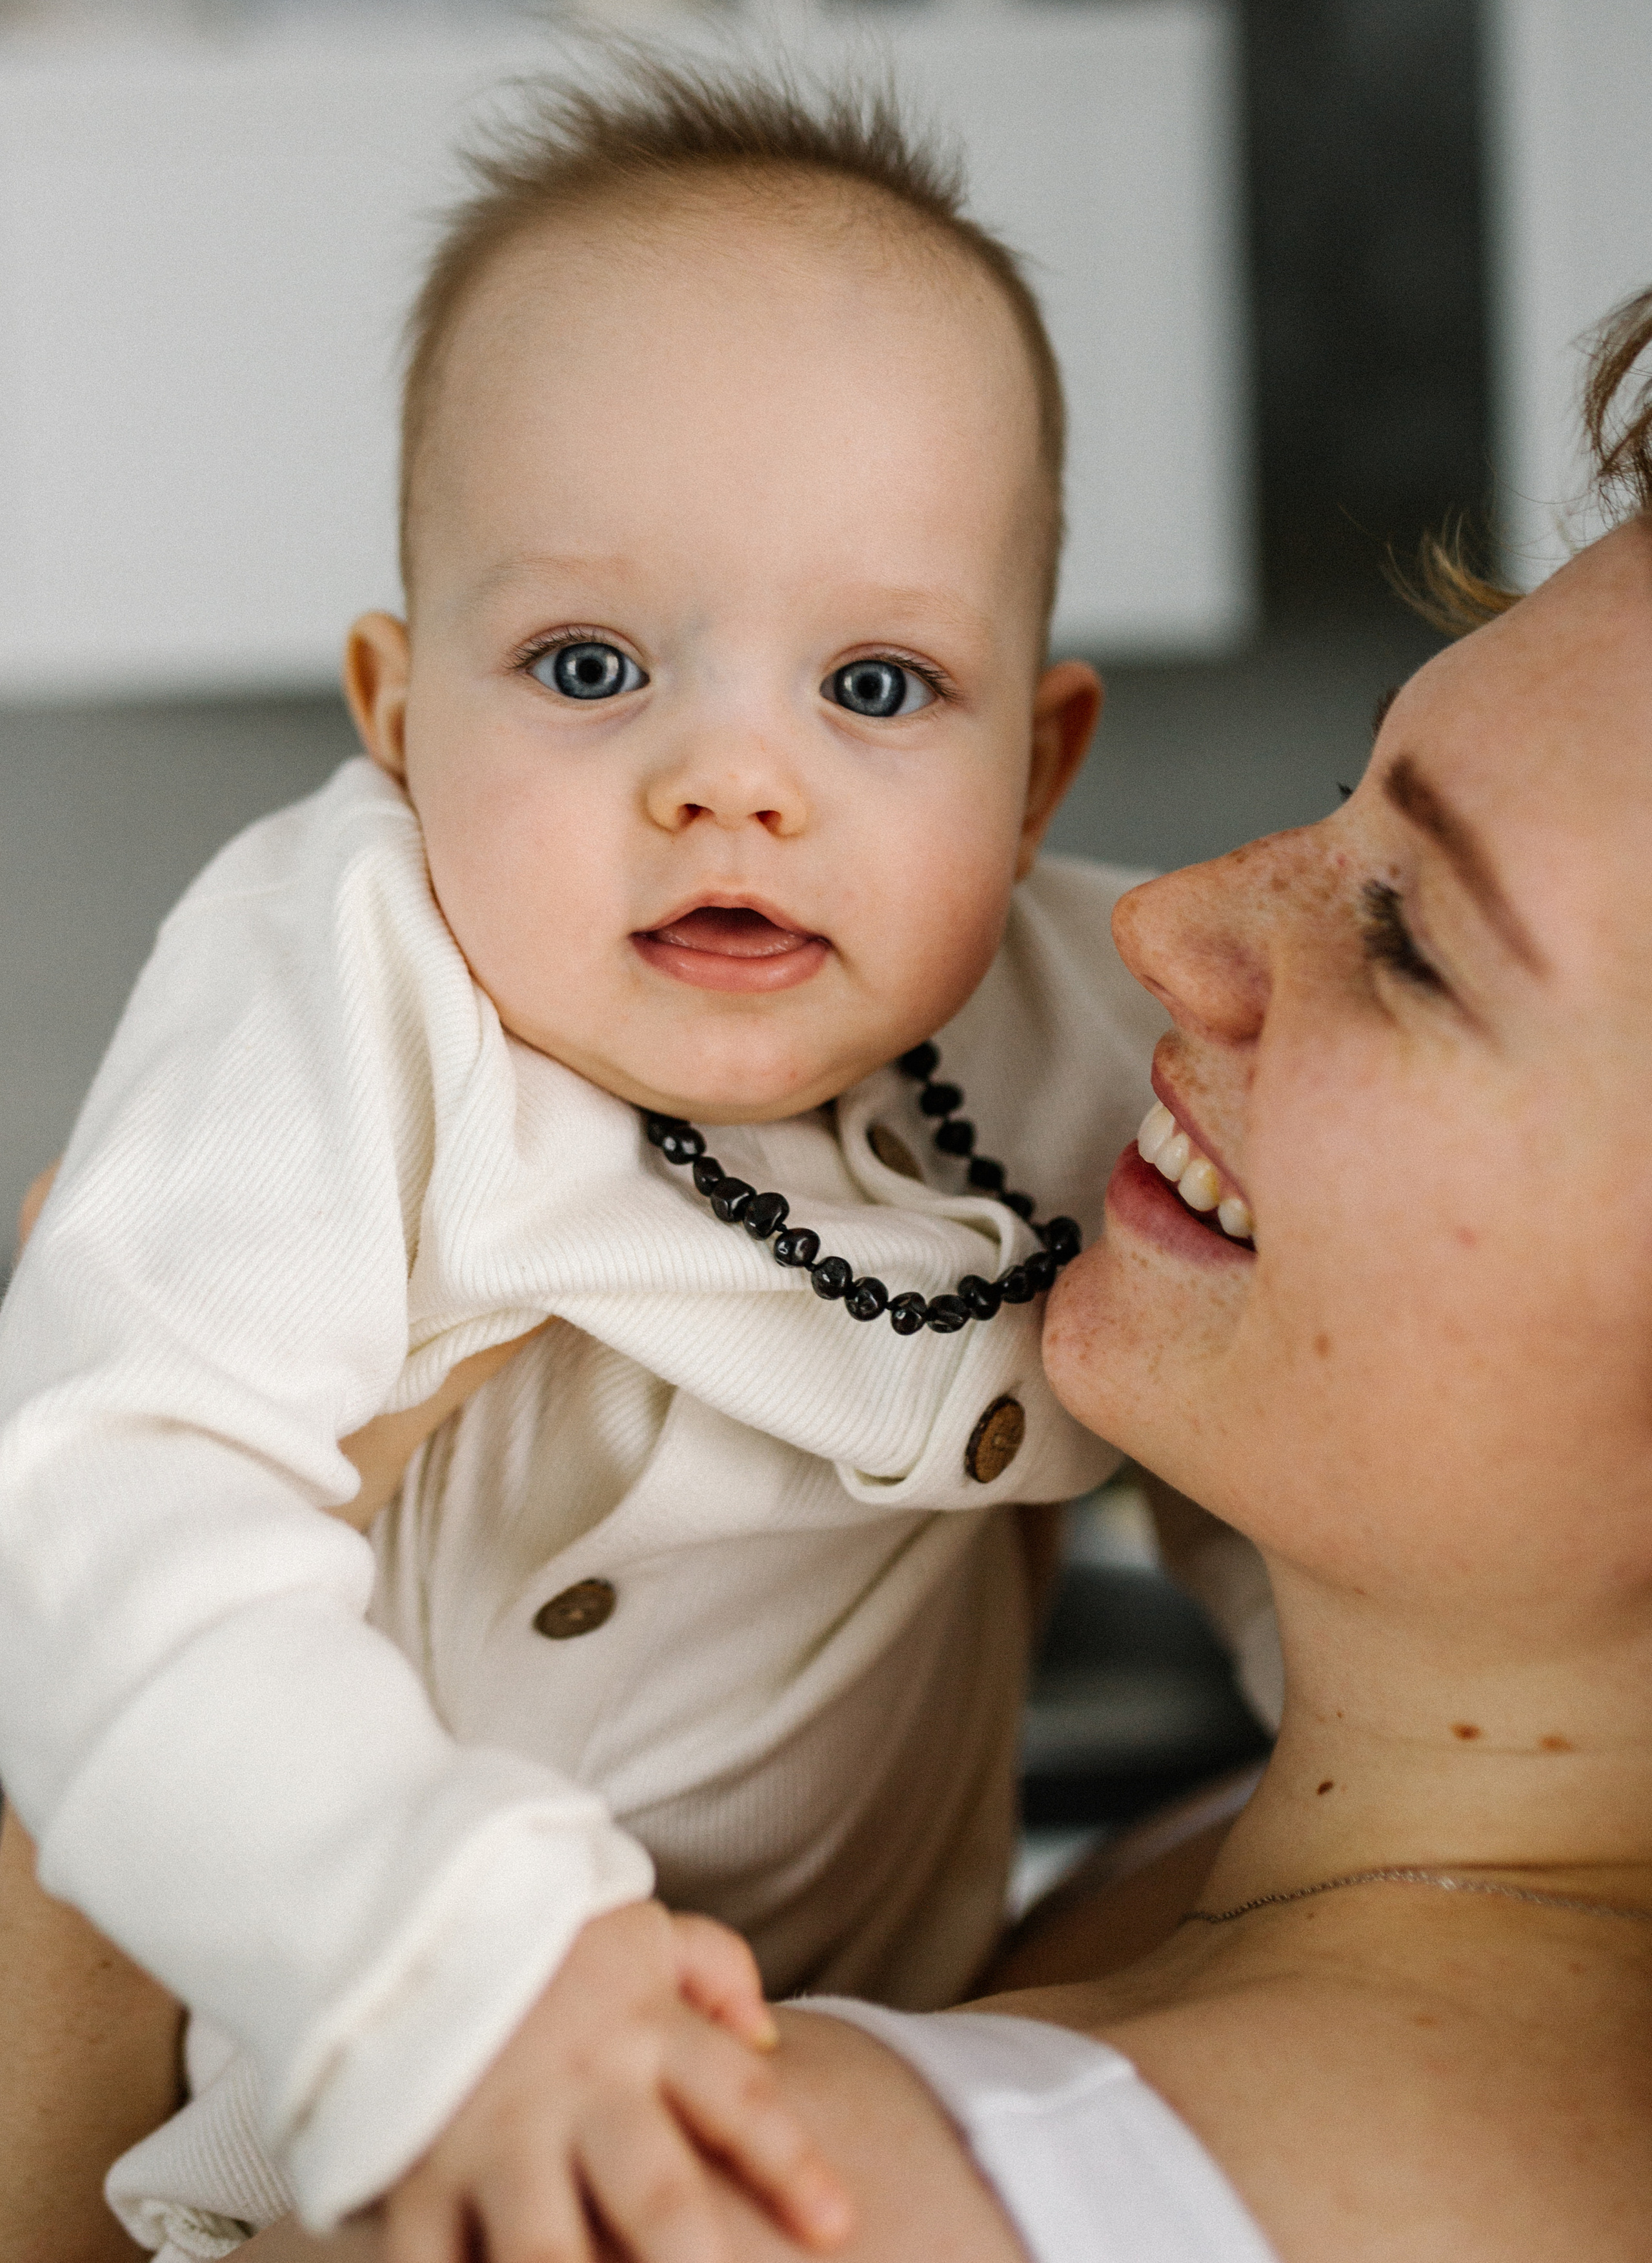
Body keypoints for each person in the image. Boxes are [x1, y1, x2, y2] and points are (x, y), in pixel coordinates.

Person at [235, 282, 1652, 2261]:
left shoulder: (707, 2188)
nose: (1167, 921)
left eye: (1411, 937)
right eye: (1346, 795)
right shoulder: (1253, 1873)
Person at [0, 51, 1206, 2263]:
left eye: (874, 686)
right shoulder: (350, 976)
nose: (730, 776)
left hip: (856, 2034)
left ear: (1036, 771)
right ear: (392, 714)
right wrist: (442, 1966)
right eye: (586, 662)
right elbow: (102, 1500)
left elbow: (1296, 1418)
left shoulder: (1075, 1016)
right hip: (339, 2071)